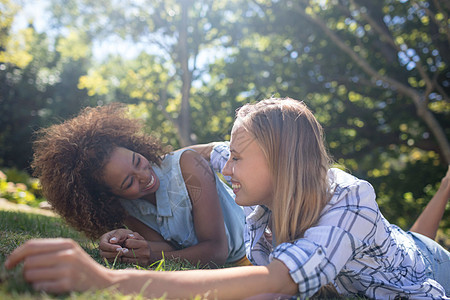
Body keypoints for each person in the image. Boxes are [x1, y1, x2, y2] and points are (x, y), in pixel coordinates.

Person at [5, 98, 450, 299]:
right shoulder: (260, 193)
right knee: (393, 245)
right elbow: (205, 154)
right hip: (378, 254)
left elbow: (275, 282)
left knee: (408, 251)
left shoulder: (349, 198)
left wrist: (107, 282)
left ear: (280, 162)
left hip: (430, 269)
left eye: (237, 159)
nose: (226, 169)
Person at [30, 104, 247, 267]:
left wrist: (153, 257)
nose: (144, 176)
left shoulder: (188, 167)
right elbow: (168, 246)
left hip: (255, 253)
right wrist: (124, 245)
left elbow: (217, 251)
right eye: (128, 182)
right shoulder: (126, 208)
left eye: (137, 160)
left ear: (133, 147)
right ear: (109, 197)